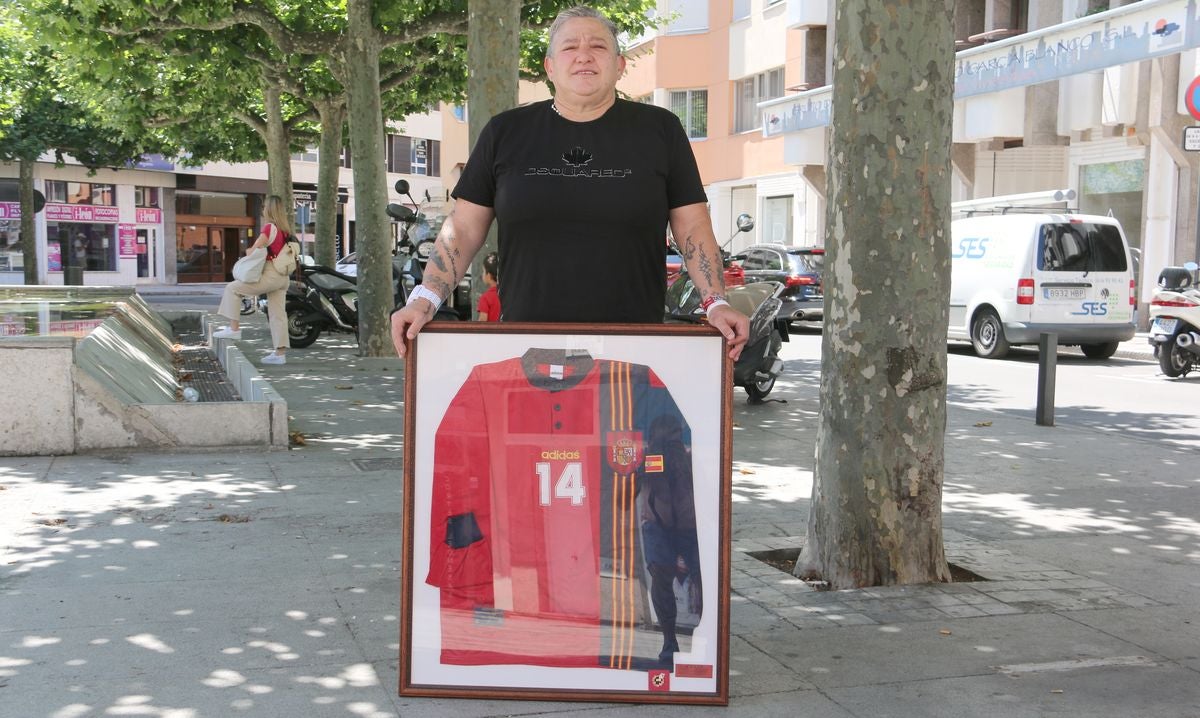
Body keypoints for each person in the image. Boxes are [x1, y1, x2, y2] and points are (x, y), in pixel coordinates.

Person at [389, 5, 748, 359]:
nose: (584, 56)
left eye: (598, 46)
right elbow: (463, 228)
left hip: (634, 346)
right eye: (570, 46)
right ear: (549, 66)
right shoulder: (505, 132)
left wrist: (715, 302)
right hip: (526, 345)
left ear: (620, 65)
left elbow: (693, 227)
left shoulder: (660, 129)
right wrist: (425, 299)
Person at [213, 195, 299, 365]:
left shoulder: (269, 228)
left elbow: (252, 251)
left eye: (264, 206)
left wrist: (249, 250)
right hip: (283, 278)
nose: (262, 209)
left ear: (268, 209)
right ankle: (279, 354)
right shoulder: (285, 230)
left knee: (233, 288)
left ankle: (234, 329)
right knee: (278, 315)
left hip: (271, 275)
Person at [475, 251, 501, 321]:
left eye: (483, 271)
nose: (482, 274)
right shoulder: (507, 294)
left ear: (488, 275)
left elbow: (482, 323)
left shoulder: (485, 298)